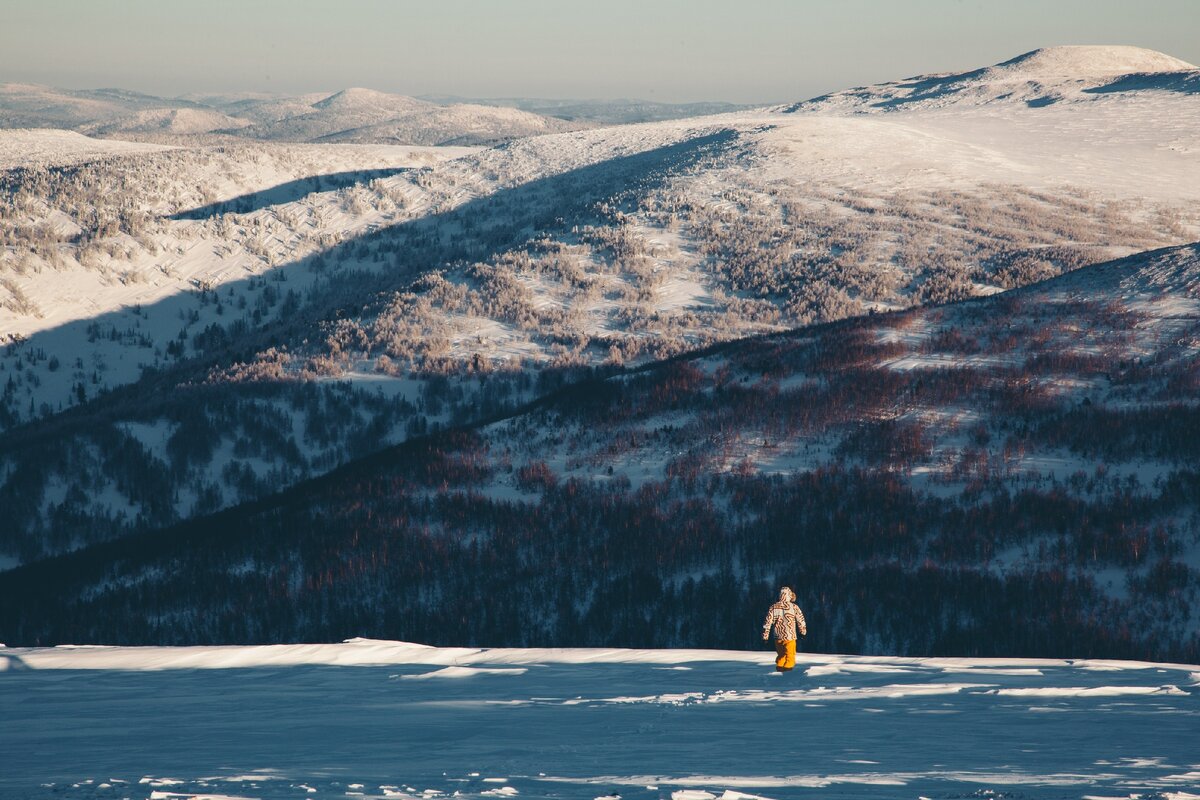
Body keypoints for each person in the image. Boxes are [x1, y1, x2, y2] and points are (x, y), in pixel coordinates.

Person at [762, 586, 806, 672]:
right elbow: (801, 620)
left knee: (781, 655)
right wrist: (802, 632)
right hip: (790, 636)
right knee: (790, 655)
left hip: (778, 637)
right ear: (790, 595)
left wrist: (765, 637)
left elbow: (767, 623)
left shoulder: (773, 607)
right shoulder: (794, 607)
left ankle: (779, 669)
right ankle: (787, 674)